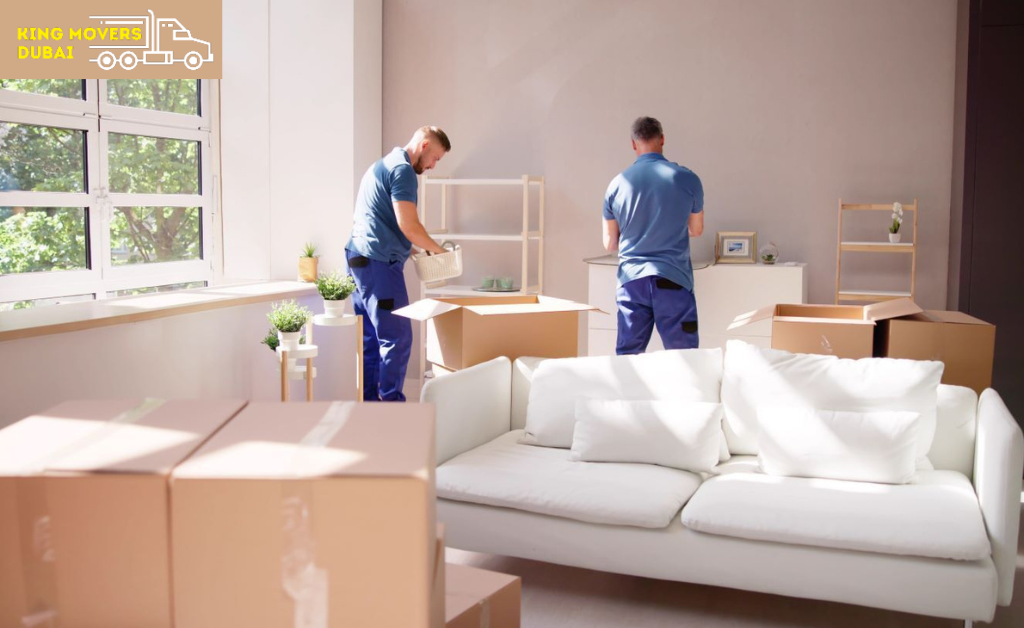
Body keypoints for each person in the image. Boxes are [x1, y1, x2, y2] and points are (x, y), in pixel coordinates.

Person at [345, 126, 451, 401]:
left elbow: (383, 220)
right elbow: (409, 224)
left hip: (358, 259)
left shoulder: (382, 165)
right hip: (378, 264)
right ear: (425, 145)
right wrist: (439, 251)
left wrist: (413, 249)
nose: (433, 166)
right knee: (398, 338)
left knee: (370, 340)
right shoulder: (403, 170)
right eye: (436, 158)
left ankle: (370, 410)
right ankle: (391, 410)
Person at [602, 116, 704, 355]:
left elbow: (609, 243)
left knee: (628, 359)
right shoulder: (687, 178)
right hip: (672, 280)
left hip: (631, 282)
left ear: (633, 144)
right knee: (684, 359)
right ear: (662, 139)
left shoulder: (616, 184)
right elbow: (696, 230)